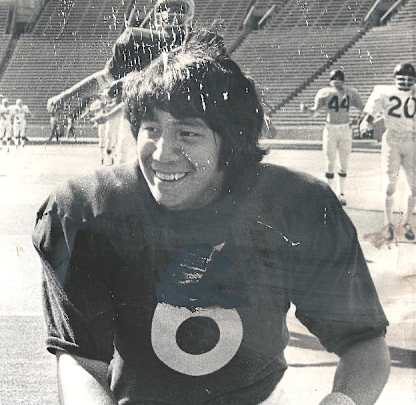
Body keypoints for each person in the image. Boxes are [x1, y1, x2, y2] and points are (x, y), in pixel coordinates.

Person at [33, 29, 390, 405]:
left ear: (231, 143)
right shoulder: (86, 209)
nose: (162, 153)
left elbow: (363, 344)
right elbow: (82, 361)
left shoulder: (296, 204)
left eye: (187, 133)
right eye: (152, 129)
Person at [360, 62, 416, 242]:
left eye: (409, 79)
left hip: (412, 140)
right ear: (395, 79)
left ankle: (407, 222)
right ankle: (388, 224)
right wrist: (366, 122)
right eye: (402, 78)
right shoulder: (384, 92)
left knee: (414, 187)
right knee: (390, 185)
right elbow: (371, 113)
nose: (406, 82)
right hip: (392, 140)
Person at [300, 69, 364, 206]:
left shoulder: (350, 92)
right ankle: (330, 193)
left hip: (345, 129)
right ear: (330, 81)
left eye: (339, 79)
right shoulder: (326, 92)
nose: (337, 82)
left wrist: (357, 119)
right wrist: (307, 110)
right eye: (335, 79)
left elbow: (363, 109)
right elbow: (315, 112)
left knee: (343, 162)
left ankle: (341, 193)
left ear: (343, 80)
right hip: (331, 129)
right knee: (330, 161)